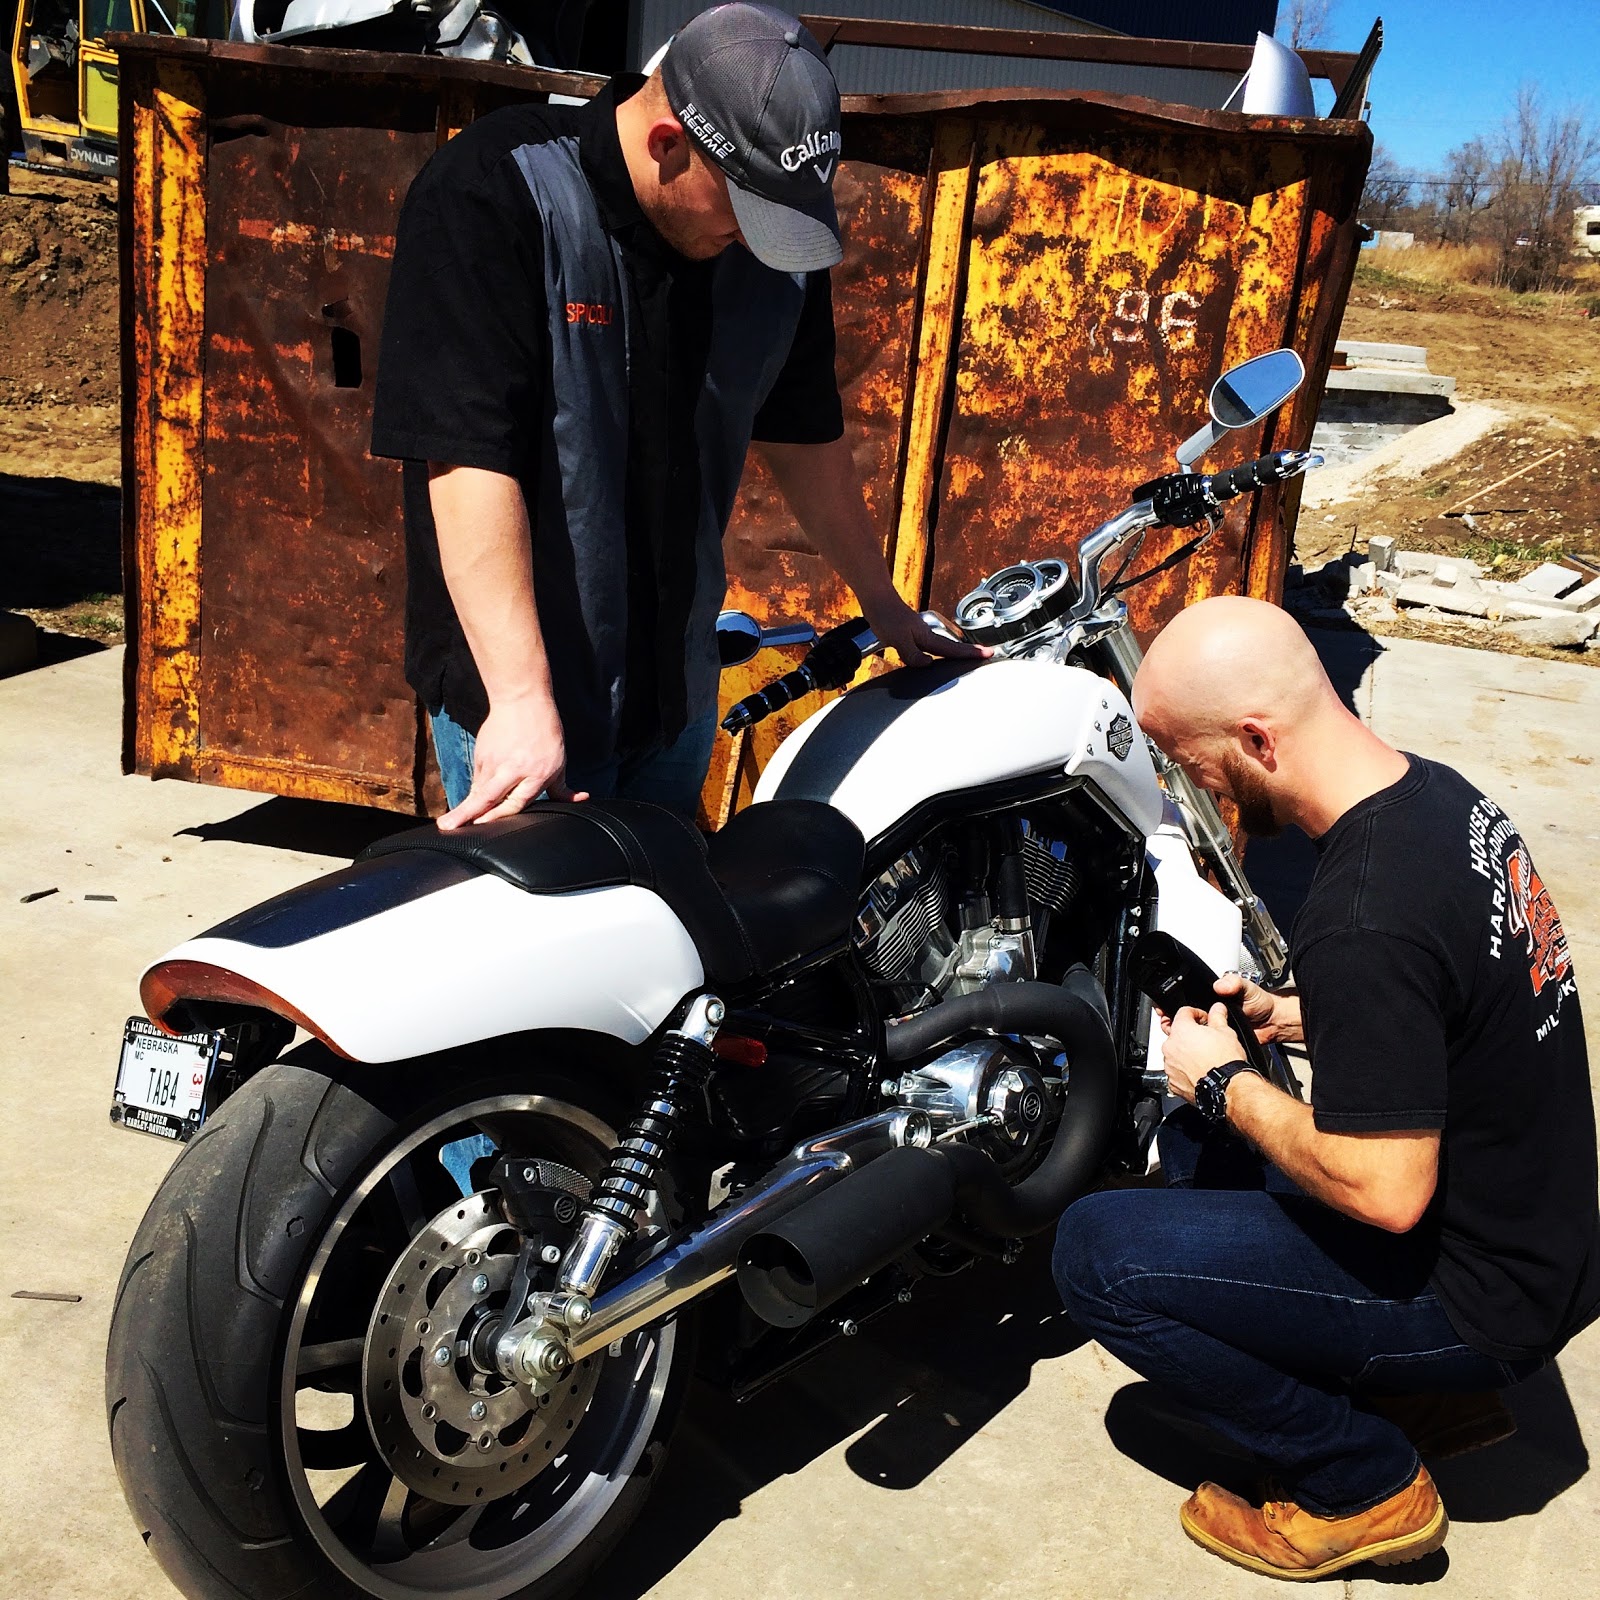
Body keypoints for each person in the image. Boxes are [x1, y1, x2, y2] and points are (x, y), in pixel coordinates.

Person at [1053, 595, 1599, 1580]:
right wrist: (1288, 1015)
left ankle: (1361, 1481)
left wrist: (1224, 1081)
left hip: (1480, 1297)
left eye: (1192, 760)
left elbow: (1385, 1194)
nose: (1195, 787)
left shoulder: (1357, 913)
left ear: (1256, 739)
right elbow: (1450, 997)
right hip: (1542, 1240)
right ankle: (1423, 1397)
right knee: (1195, 1146)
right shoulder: (1438, 801)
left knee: (1096, 1256)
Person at [371, 2, 974, 827]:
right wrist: (518, 699)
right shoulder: (496, 190)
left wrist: (885, 604)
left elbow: (805, 436)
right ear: (667, 144)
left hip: (675, 695)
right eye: (748, 212)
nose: (762, 241)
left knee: (667, 904)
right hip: (528, 714)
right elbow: (465, 456)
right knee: (543, 913)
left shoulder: (771, 245)